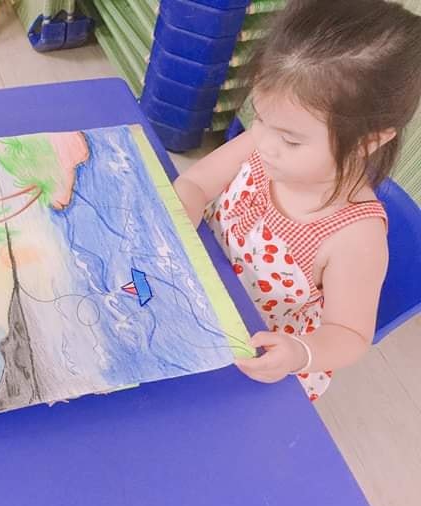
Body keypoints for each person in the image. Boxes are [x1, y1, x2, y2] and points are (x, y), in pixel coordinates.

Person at [173, 0, 421, 400]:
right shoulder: (266, 141)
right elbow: (197, 183)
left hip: (259, 349)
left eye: (290, 140)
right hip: (196, 288)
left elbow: (349, 334)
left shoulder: (355, 236)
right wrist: (180, 214)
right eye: (260, 117)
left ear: (367, 142)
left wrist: (299, 353)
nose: (265, 143)